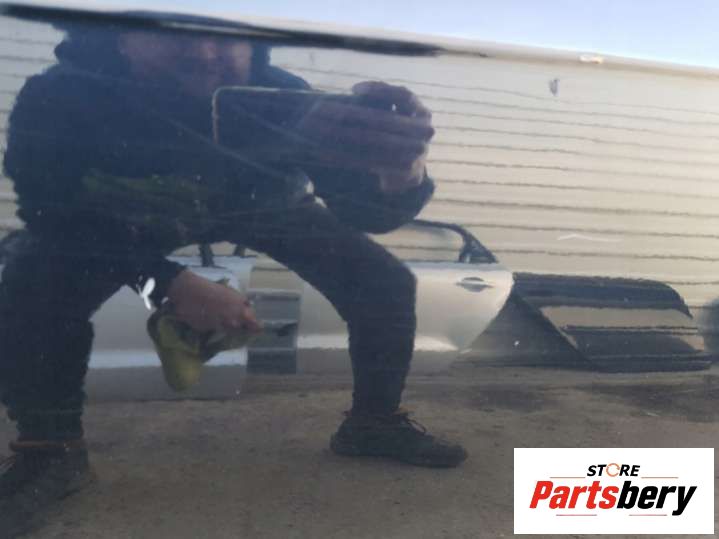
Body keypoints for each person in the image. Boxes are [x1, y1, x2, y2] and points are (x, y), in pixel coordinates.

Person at [0, 20, 467, 537]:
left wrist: (401, 174)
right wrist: (166, 285)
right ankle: (50, 449)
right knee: (31, 278)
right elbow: (48, 213)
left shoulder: (283, 97)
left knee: (382, 281)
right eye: (175, 35)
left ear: (253, 41)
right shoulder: (60, 95)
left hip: (260, 204)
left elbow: (364, 213)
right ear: (121, 36)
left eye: (225, 36)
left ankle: (373, 424)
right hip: (125, 215)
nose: (205, 53)